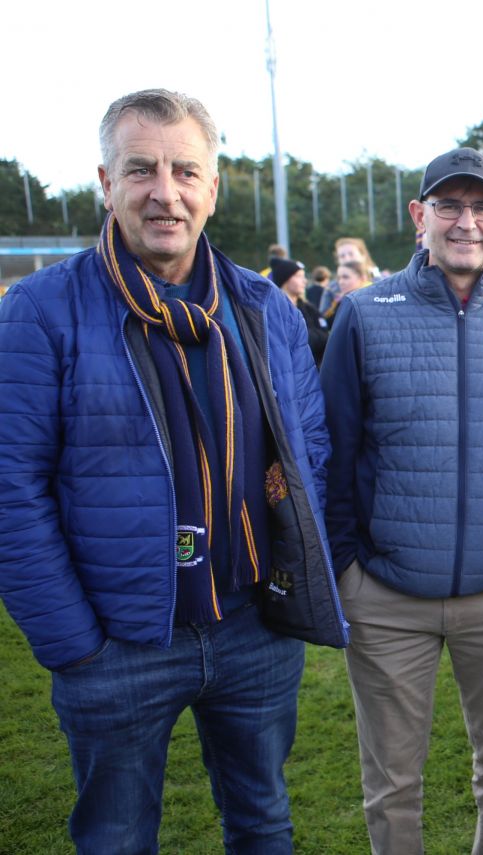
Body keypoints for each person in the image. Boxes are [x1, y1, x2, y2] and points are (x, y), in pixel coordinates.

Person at [0, 88, 346, 853]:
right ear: (105, 182)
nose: (166, 192)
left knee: (263, 823)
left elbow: (308, 451)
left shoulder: (264, 309)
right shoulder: (40, 311)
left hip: (253, 629)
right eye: (141, 170)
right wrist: (74, 643)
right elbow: (9, 490)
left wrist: (288, 578)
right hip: (118, 645)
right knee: (118, 837)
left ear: (213, 187)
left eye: (186, 171)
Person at [321, 147, 483, 855]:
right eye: (448, 205)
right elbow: (334, 451)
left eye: (481, 208)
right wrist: (348, 566)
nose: (465, 222)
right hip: (386, 593)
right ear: (420, 217)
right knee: (392, 778)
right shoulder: (365, 313)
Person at [270, 256, 328, 366]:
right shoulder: (274, 311)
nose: (305, 281)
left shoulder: (309, 308)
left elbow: (327, 339)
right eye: (298, 276)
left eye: (304, 276)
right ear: (285, 280)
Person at [323, 258, 370, 322]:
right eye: (339, 278)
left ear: (362, 278)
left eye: (345, 277)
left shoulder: (371, 301)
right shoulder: (339, 301)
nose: (340, 282)